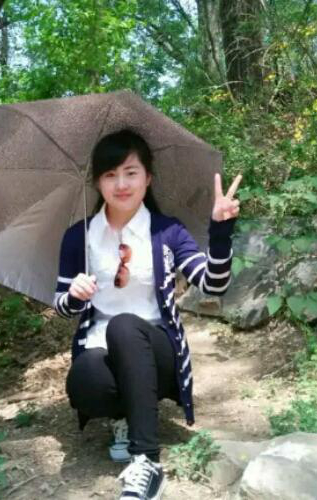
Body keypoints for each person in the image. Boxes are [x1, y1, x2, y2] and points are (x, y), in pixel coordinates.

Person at [53, 129, 241, 500]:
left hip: (157, 351)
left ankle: (147, 462)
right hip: (101, 347)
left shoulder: (166, 231)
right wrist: (74, 296)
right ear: (97, 182)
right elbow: (61, 305)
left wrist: (220, 232)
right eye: (110, 174)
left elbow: (213, 284)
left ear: (148, 178)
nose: (121, 184)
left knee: (124, 327)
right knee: (85, 377)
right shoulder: (80, 236)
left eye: (131, 172)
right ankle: (124, 415)